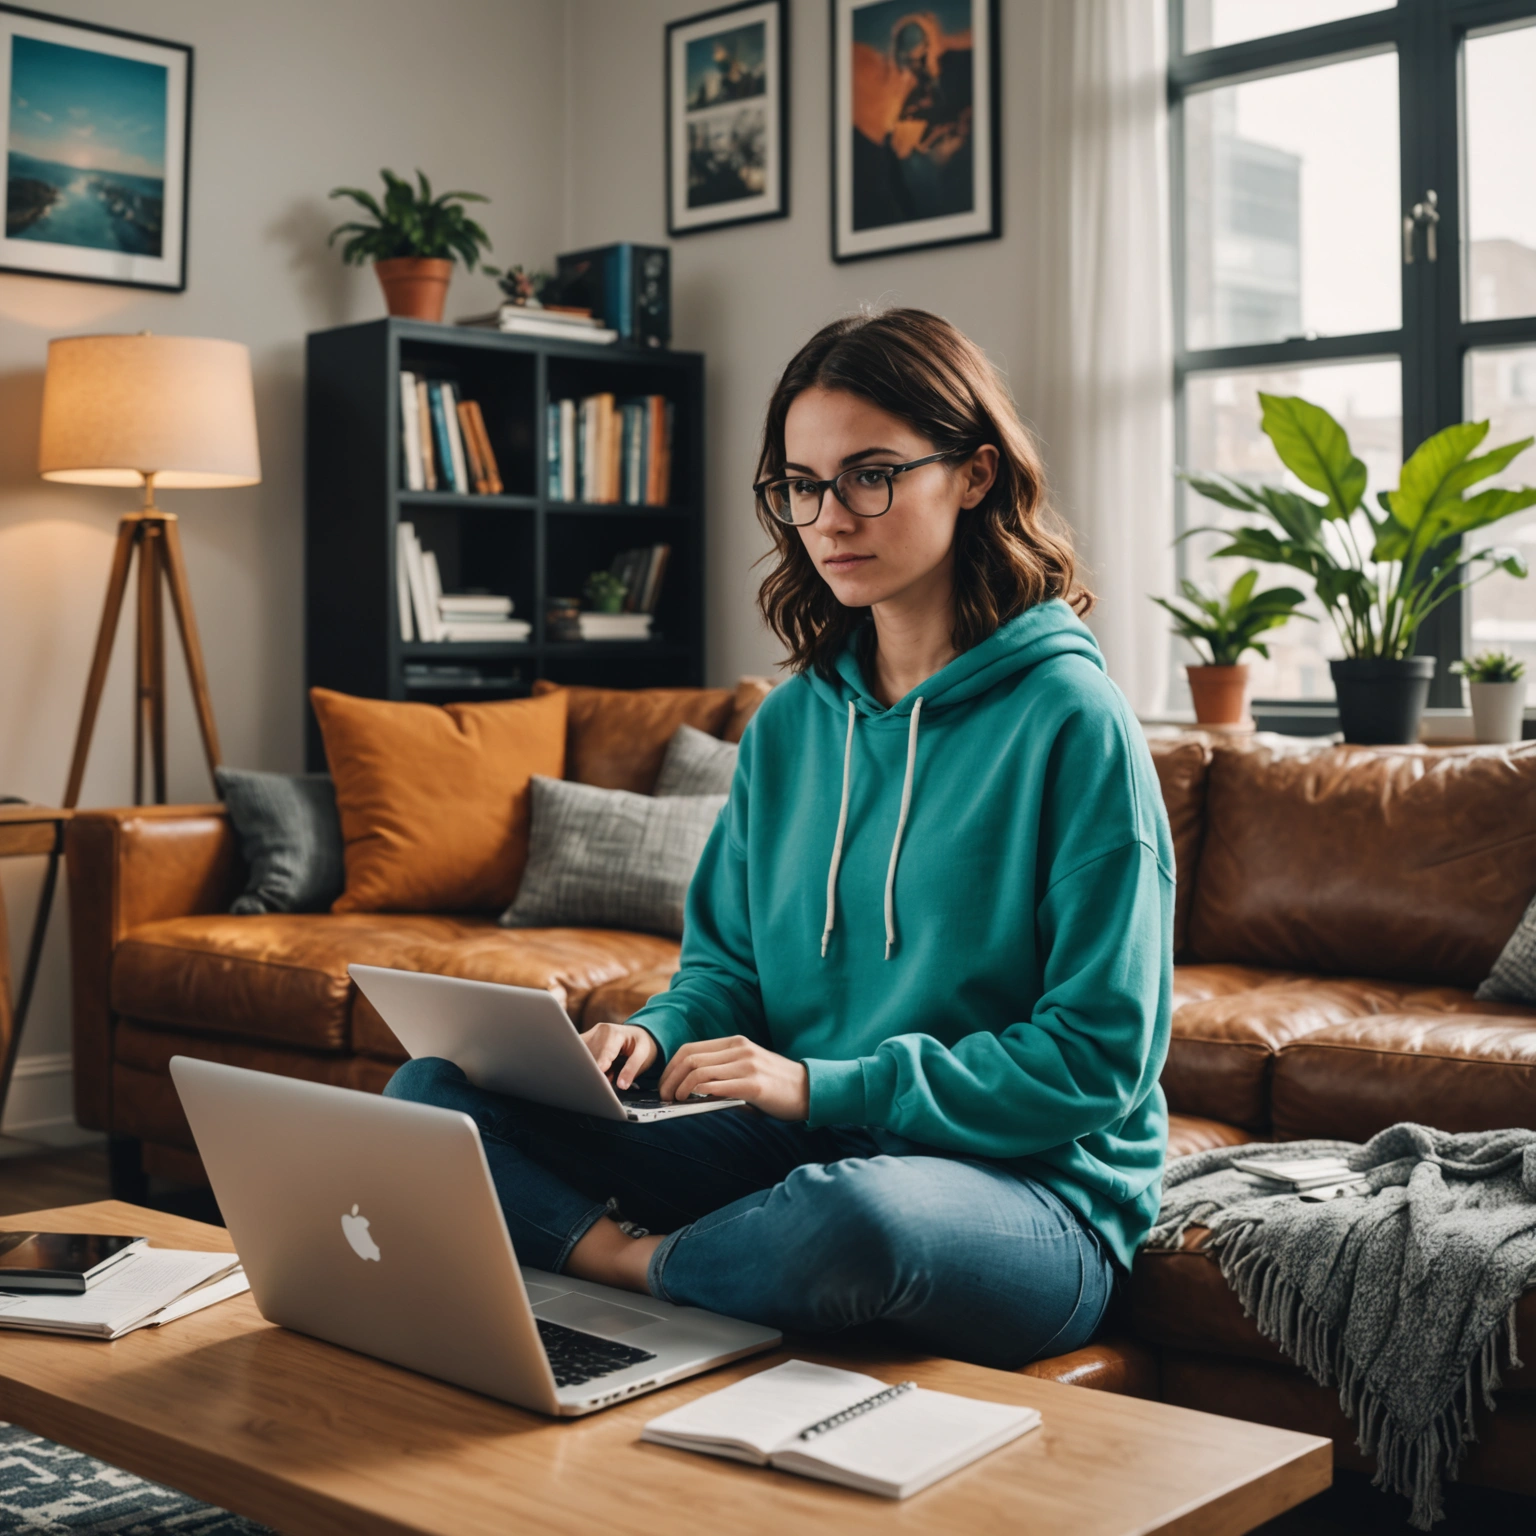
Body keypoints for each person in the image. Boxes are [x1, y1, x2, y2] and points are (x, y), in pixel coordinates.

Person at [386, 308, 1175, 1370]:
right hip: (800, 1150)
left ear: (976, 475)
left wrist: (821, 1086)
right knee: (433, 1097)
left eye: (870, 474)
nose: (830, 518)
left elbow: (1098, 1060)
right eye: (802, 485)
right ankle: (642, 1257)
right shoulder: (793, 723)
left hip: (1027, 1194)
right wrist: (658, 1034)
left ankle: (635, 1270)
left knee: (862, 1222)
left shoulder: (1074, 721)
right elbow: (728, 970)